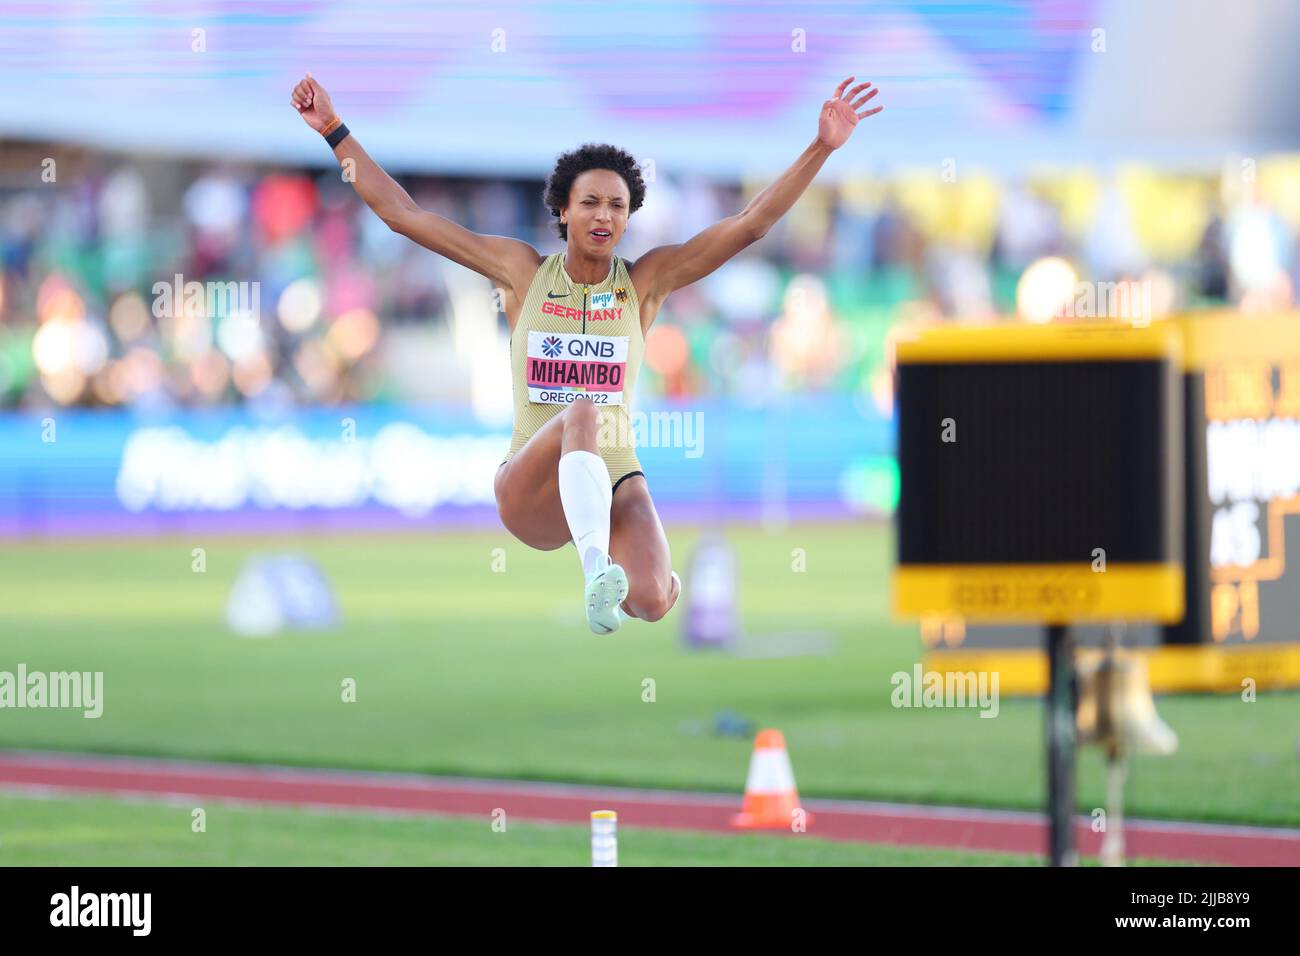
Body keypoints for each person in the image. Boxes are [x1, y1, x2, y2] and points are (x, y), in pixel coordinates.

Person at [291, 72, 882, 634]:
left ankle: (649, 581)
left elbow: (751, 224)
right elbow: (403, 214)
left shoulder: (645, 282)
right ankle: (596, 571)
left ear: (628, 218)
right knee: (581, 410)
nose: (604, 215)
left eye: (618, 206)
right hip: (532, 486)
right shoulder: (520, 271)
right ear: (564, 211)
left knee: (651, 602)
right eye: (591, 202)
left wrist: (821, 147)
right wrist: (333, 129)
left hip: (617, 476)